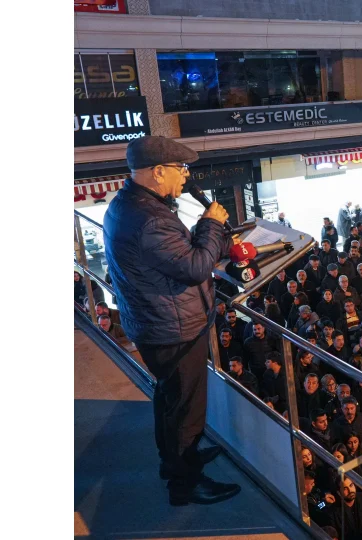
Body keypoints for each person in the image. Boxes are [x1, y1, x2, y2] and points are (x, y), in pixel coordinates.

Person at [103, 136, 240, 505]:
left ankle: (177, 461)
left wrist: (208, 235)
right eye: (182, 169)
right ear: (159, 172)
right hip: (172, 331)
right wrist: (211, 224)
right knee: (186, 412)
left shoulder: (130, 205)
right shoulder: (150, 219)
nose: (186, 176)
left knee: (170, 400)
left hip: (157, 324)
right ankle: (185, 485)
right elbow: (195, 267)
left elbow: (178, 257)